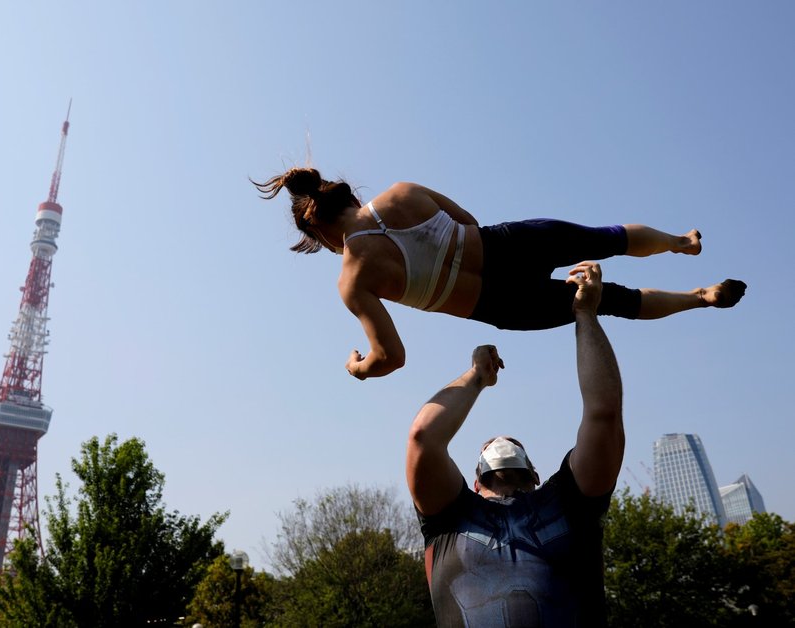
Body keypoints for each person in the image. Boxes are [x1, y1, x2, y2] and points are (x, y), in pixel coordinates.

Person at [254, 167, 746, 379]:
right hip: (508, 245)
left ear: (318, 234)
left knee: (614, 302)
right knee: (606, 237)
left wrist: (358, 367)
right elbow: (466, 219)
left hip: (500, 306)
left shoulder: (352, 280)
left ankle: (699, 298)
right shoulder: (401, 192)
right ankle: (682, 242)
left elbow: (392, 357)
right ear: (344, 194)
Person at [405, 261, 622, 626]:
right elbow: (423, 438)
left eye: (511, 441)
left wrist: (586, 313)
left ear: (535, 474)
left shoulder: (571, 503)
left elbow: (604, 413)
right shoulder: (449, 517)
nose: (500, 440)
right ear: (475, 482)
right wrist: (475, 378)